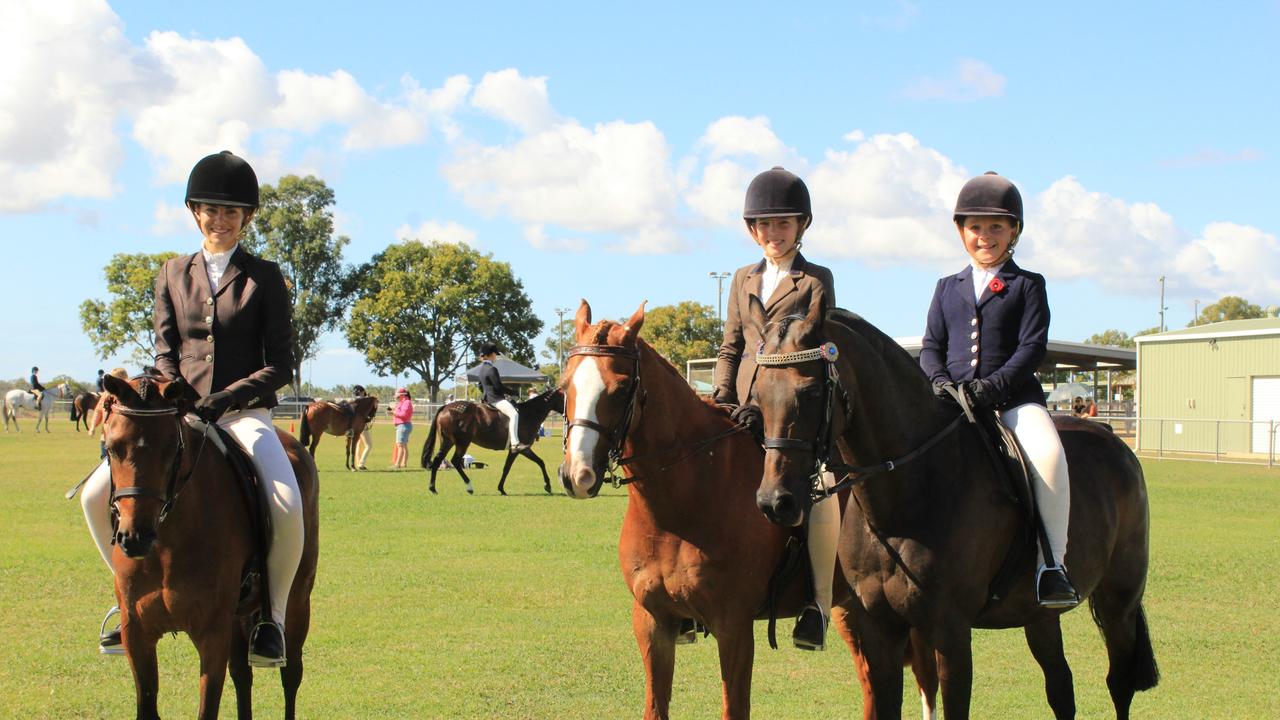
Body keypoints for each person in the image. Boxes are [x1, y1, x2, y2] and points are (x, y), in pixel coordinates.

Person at [80, 150, 305, 666]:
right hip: (179, 417)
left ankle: (269, 616)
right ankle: (124, 600)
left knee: (287, 505)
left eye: (230, 213)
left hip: (243, 416)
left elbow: (282, 364)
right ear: (195, 213)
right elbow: (164, 355)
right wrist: (148, 393)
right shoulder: (171, 274)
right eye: (210, 210)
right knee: (96, 494)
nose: (219, 221)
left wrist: (222, 400)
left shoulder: (264, 277)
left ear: (246, 218)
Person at [919, 171, 1079, 608]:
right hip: (952, 405)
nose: (984, 236)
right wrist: (937, 382)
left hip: (1012, 403)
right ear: (960, 231)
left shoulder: (1027, 285)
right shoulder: (945, 288)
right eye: (975, 227)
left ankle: (1052, 566)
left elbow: (1032, 348)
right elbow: (931, 345)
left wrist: (990, 388)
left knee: (1047, 455)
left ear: (1014, 232)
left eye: (996, 227)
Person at [713, 166, 839, 650]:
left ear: (802, 226)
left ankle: (817, 603)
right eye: (765, 225)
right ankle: (687, 598)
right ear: (752, 230)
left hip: (790, 410)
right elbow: (729, 348)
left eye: (784, 223)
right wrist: (725, 400)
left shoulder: (816, 280)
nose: (774, 233)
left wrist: (768, 404)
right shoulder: (743, 278)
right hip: (741, 407)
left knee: (822, 491)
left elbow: (815, 348)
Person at [477, 343, 526, 452]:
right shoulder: (492, 369)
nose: (496, 357)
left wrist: (487, 394)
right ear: (491, 355)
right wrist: (513, 392)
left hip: (487, 399)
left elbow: (480, 385)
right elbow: (499, 387)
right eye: (495, 354)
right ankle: (515, 443)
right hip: (495, 399)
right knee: (514, 414)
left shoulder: (481, 369)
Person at [391, 388, 413, 468]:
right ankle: (403, 463)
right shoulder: (403, 402)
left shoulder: (406, 402)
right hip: (403, 425)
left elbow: (404, 414)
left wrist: (394, 413)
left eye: (397, 394)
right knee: (403, 445)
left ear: (402, 395)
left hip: (403, 425)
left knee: (400, 445)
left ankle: (397, 464)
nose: (396, 396)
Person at [352, 384, 372, 470]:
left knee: (358, 445)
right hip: (362, 425)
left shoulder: (354, 401)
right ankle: (361, 463)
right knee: (368, 445)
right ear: (362, 392)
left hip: (354, 425)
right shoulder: (364, 401)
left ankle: (357, 462)